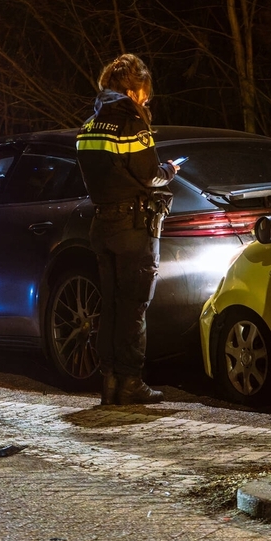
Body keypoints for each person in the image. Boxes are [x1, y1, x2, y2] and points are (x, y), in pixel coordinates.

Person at [76, 54, 179, 405]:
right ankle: (131, 382)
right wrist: (169, 171)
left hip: (102, 223)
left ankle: (109, 382)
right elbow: (149, 175)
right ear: (133, 91)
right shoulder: (132, 124)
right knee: (133, 307)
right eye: (145, 95)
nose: (146, 101)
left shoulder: (89, 127)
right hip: (134, 227)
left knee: (110, 306)